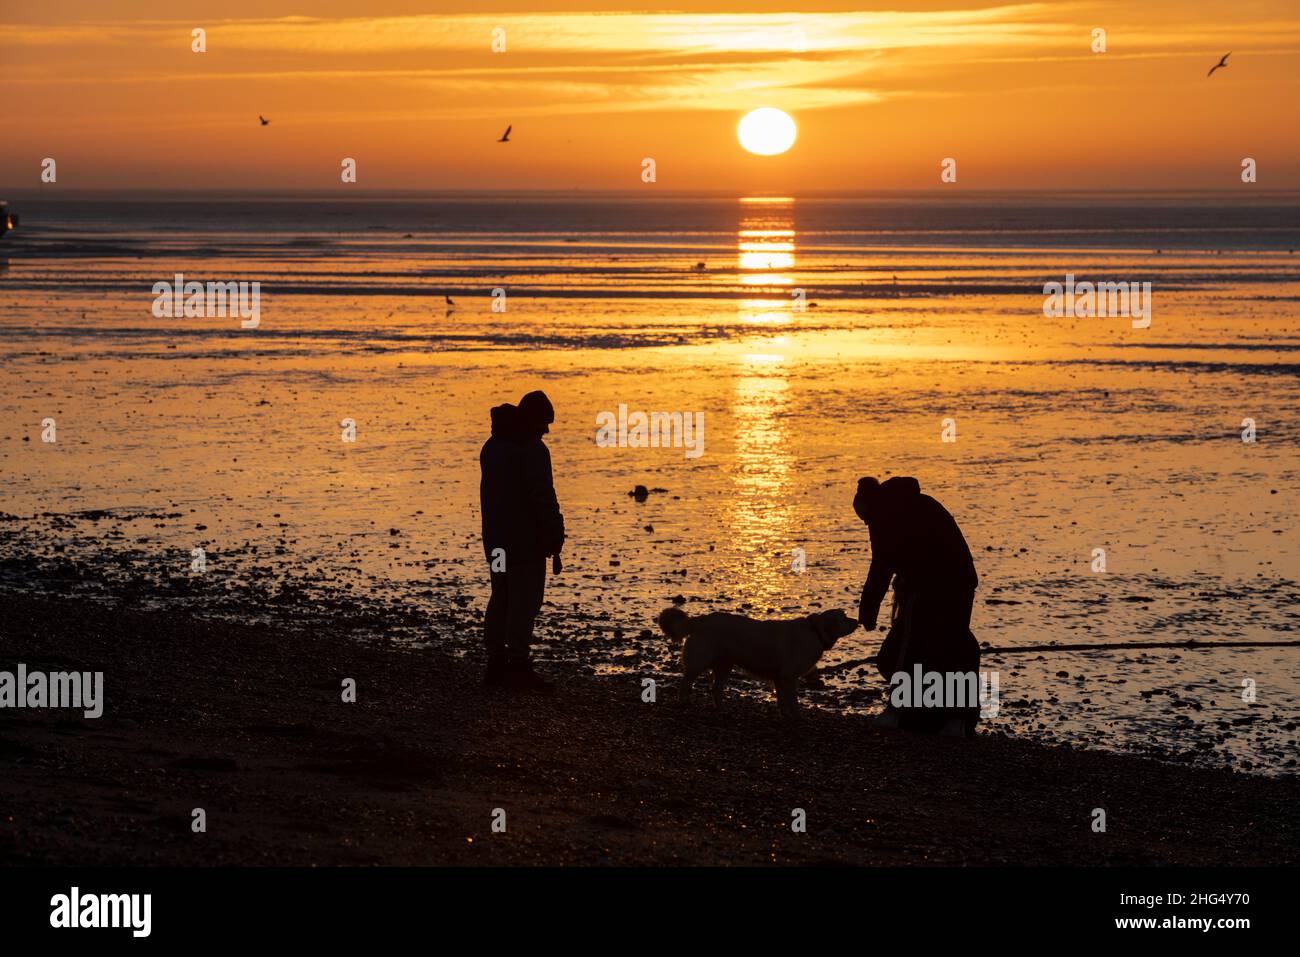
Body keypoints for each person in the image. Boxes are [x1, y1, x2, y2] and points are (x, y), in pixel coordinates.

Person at [853, 476, 979, 736]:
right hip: (962, 583)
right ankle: (954, 720)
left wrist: (867, 611)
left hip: (933, 587)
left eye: (864, 518)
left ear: (870, 507)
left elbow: (880, 568)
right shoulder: (921, 504)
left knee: (906, 651)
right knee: (952, 649)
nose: (866, 524)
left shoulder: (883, 517)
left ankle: (897, 712)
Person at [479, 390, 565, 691]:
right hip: (524, 541)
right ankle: (517, 665)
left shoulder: (492, 446)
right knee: (525, 603)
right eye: (544, 423)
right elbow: (543, 497)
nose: (547, 430)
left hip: (495, 540)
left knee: (500, 597)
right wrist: (556, 532)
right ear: (532, 421)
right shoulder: (532, 450)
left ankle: (495, 665)